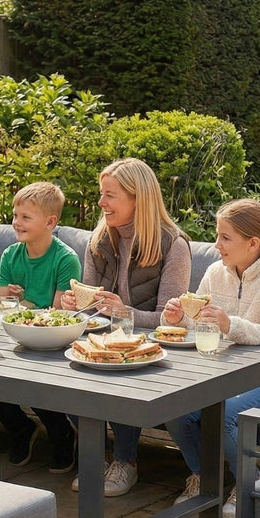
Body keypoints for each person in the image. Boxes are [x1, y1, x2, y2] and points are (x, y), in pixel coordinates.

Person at [162, 198, 260, 518]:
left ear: (253, 243)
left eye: (225, 238)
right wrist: (178, 319)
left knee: (229, 416)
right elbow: (200, 320)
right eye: (218, 236)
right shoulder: (215, 272)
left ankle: (247, 483)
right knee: (175, 409)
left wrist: (230, 323)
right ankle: (204, 477)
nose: (216, 245)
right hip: (223, 370)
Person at [60, 157, 192, 496]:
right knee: (62, 377)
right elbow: (91, 305)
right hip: (103, 340)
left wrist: (125, 313)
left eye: (110, 195)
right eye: (101, 194)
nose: (101, 202)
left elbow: (169, 318)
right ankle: (97, 458)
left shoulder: (173, 245)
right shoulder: (99, 240)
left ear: (138, 199)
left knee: (119, 377)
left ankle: (125, 461)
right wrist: (74, 305)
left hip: (151, 348)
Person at [0, 182, 83, 472]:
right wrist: (14, 302)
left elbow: (58, 314)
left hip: (54, 344)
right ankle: (20, 428)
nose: (16, 223)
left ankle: (61, 434)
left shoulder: (65, 259)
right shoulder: (10, 255)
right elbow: (0, 306)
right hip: (16, 337)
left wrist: (24, 304)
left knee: (39, 380)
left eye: (25, 217)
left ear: (50, 222)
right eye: (15, 215)